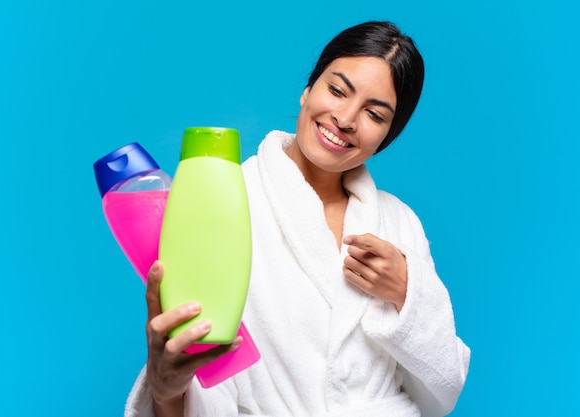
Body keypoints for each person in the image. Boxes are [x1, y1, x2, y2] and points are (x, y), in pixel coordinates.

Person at [125, 21, 470, 417]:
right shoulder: (223, 198)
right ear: (308, 90)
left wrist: (407, 294)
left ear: (387, 136)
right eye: (337, 90)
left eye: (374, 114)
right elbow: (195, 377)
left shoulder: (399, 222)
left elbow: (441, 391)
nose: (345, 118)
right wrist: (166, 389)